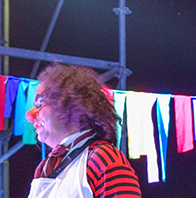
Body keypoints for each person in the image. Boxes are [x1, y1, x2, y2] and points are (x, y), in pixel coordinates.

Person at [25, 64, 141, 198]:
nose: (30, 115)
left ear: (68, 105)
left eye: (40, 104)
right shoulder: (46, 166)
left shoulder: (102, 158)